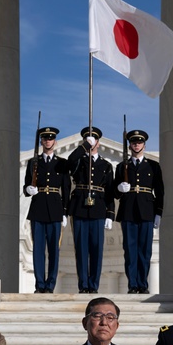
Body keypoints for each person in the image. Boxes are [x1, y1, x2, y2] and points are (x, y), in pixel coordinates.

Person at [114, 129, 164, 294]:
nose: (137, 145)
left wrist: (159, 212)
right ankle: (132, 284)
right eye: (134, 142)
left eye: (139, 142)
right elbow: (114, 192)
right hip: (128, 210)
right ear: (130, 145)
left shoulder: (153, 166)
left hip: (147, 210)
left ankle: (143, 284)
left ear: (144, 144)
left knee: (145, 250)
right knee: (130, 250)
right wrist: (120, 188)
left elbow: (160, 191)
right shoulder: (122, 166)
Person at [66, 126, 115, 294]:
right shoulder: (79, 160)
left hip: (99, 209)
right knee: (80, 249)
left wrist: (110, 214)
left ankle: (93, 285)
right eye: (88, 140)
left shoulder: (106, 165)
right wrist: (84, 147)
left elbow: (109, 191)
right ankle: (83, 285)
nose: (92, 143)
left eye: (93, 140)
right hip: (79, 207)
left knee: (96, 249)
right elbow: (69, 162)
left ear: (99, 143)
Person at [23, 126, 70, 293]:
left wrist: (65, 212)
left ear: (55, 142)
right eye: (45, 139)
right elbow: (26, 186)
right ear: (42, 141)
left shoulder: (62, 163)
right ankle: (40, 284)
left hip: (56, 209)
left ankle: (50, 285)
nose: (48, 141)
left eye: (50, 139)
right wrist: (29, 189)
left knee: (53, 251)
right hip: (38, 209)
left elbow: (66, 188)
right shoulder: (33, 162)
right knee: (38, 251)